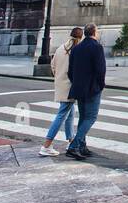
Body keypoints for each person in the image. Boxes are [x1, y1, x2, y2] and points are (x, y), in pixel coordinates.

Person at [65, 24, 106, 160]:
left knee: (83, 117)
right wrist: (100, 85)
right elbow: (100, 70)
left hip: (78, 87)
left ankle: (82, 146)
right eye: (97, 31)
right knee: (91, 118)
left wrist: (76, 82)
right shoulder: (97, 47)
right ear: (94, 33)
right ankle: (74, 146)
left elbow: (70, 71)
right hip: (92, 88)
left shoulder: (76, 48)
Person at [40, 27, 83, 157]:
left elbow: (53, 66)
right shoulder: (76, 50)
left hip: (61, 85)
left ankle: (71, 140)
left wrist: (59, 78)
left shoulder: (60, 48)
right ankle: (46, 145)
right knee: (62, 115)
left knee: (70, 113)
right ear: (80, 38)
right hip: (70, 87)